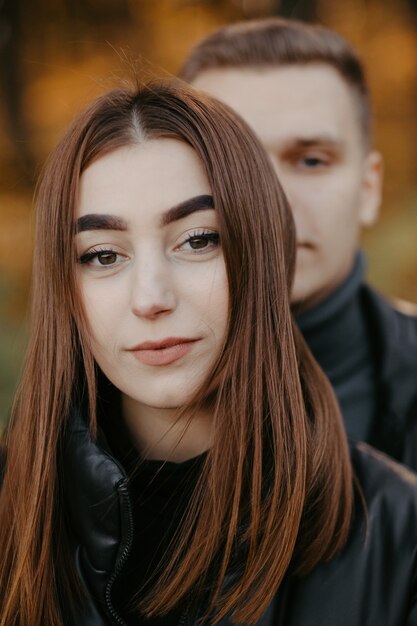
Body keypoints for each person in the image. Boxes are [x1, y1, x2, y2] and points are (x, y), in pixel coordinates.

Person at [1, 80, 417, 626]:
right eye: (103, 255)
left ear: (262, 252)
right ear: (64, 286)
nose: (151, 299)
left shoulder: (399, 533)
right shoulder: (12, 511)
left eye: (198, 240)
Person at [179, 18, 417, 467]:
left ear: (369, 189)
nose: (274, 203)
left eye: (310, 160)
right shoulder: (80, 417)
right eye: (229, 162)